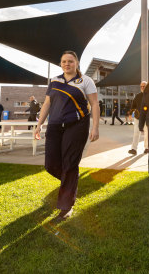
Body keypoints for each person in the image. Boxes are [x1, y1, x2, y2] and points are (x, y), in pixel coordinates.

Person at [34, 50, 100, 221]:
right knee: (50, 164)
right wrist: (39, 124)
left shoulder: (86, 81)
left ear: (76, 63)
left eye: (70, 61)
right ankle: (70, 179)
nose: (67, 64)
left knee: (70, 163)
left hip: (77, 126)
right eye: (64, 61)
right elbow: (47, 103)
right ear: (60, 63)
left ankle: (66, 207)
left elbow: (94, 104)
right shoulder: (54, 81)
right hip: (55, 126)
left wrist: (95, 127)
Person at [127, 81, 149, 155]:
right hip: (138, 117)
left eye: (144, 86)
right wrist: (130, 114)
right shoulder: (137, 96)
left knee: (147, 133)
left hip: (147, 118)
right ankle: (134, 149)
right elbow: (133, 106)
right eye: (141, 86)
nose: (142, 87)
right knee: (136, 133)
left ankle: (147, 148)